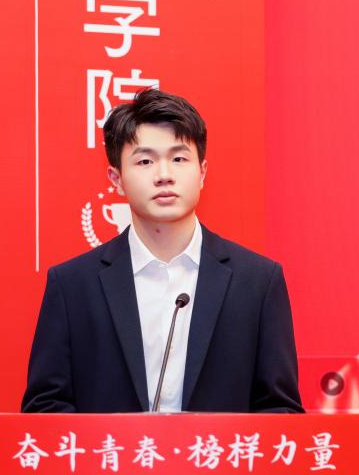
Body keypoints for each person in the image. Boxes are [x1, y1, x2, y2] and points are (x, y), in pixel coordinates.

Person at [21, 88, 303, 414]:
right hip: (110, 450)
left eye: (179, 159)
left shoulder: (257, 282)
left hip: (217, 450)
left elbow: (279, 412)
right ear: (116, 179)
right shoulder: (72, 285)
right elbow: (45, 409)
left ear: (202, 173)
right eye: (145, 161)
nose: (164, 175)